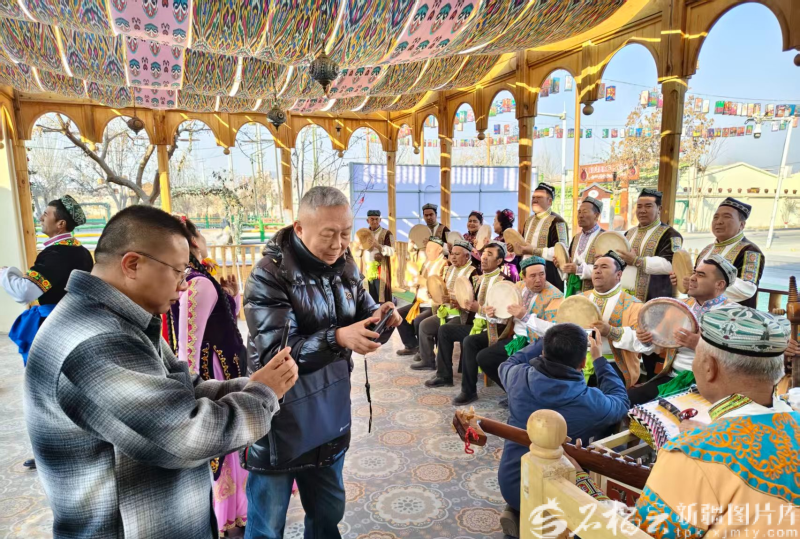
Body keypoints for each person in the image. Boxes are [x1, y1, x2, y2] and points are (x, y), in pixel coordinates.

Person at [24, 205, 298, 539]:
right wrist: (263, 395)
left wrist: (251, 384)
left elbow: (183, 390)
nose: (183, 286)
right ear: (133, 264)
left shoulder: (120, 320)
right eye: (179, 272)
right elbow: (184, 436)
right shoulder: (94, 340)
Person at [242, 186, 400, 539]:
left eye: (345, 233)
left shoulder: (345, 263)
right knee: (267, 526)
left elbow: (363, 312)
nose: (338, 244)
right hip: (280, 417)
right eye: (328, 234)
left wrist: (381, 317)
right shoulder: (269, 274)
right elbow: (276, 356)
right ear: (299, 228)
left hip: (329, 407)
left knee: (328, 516)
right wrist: (338, 338)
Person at [576, 305, 799, 538]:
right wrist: (713, 433)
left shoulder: (693, 453)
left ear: (709, 367)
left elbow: (641, 534)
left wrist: (582, 483)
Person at [497, 324, 629, 537]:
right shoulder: (591, 403)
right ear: (583, 362)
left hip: (511, 484)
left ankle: (518, 511)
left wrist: (544, 340)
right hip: (559, 497)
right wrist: (599, 359)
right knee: (605, 433)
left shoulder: (516, 377)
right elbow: (621, 401)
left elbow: (509, 362)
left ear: (543, 352)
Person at [163, 217, 250, 537]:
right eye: (200, 232)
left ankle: (236, 512)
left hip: (223, 366)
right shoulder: (196, 282)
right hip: (213, 372)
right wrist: (191, 389)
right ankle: (228, 515)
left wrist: (232, 297)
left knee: (234, 439)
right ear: (194, 242)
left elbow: (220, 325)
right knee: (224, 440)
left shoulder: (200, 278)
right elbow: (188, 347)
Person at [2, 195, 93, 470]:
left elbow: (25, 292)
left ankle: (51, 450)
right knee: (69, 387)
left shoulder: (56, 254)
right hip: (75, 322)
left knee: (44, 391)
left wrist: (6, 273)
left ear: (60, 223)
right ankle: (75, 446)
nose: (41, 217)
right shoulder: (79, 251)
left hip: (53, 326)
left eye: (47, 213)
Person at [528, 251, 653, 388]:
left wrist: (611, 331)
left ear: (618, 275)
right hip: (576, 362)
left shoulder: (634, 305)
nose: (597, 271)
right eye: (595, 267)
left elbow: (645, 345)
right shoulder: (578, 300)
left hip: (614, 364)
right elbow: (560, 330)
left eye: (604, 267)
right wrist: (526, 318)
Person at [454, 256, 563, 405]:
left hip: (536, 343)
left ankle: (518, 394)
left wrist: (525, 317)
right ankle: (471, 392)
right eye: (532, 276)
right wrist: (492, 315)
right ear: (523, 276)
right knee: (471, 343)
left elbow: (554, 330)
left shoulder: (555, 295)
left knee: (485, 357)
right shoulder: (516, 288)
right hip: (514, 336)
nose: (538, 280)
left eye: (542, 274)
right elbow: (504, 316)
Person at [630, 255, 737, 404]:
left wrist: (699, 345)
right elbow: (658, 343)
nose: (692, 278)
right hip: (672, 377)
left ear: (719, 284)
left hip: (709, 385)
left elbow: (738, 360)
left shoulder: (735, 315)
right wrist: (646, 340)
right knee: (626, 401)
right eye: (694, 273)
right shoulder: (680, 306)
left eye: (701, 275)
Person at [425, 242, 507, 388]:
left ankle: (468, 391)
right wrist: (459, 303)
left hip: (492, 329)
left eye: (489, 255)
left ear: (499, 261)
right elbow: (469, 304)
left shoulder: (504, 282)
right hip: (474, 325)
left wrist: (479, 309)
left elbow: (503, 316)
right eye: (483, 254)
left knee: (469, 341)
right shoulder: (479, 279)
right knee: (444, 330)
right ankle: (444, 376)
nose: (484, 258)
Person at [681, 197, 764, 308]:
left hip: (731, 314)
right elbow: (696, 278)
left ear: (742, 225)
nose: (719, 221)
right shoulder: (707, 249)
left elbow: (747, 289)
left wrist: (703, 284)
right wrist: (685, 281)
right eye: (716, 217)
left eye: (727, 216)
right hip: (699, 311)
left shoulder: (750, 251)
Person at [412, 239, 476, 371]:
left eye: (457, 254)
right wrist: (435, 294)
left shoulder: (473, 273)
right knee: (424, 326)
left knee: (444, 330)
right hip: (446, 311)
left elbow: (473, 299)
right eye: (452, 253)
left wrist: (455, 300)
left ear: (467, 256)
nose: (453, 257)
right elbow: (442, 290)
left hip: (462, 315)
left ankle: (444, 370)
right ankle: (427, 360)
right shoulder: (449, 269)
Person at [618, 188, 683, 301]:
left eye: (648, 206)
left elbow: (670, 265)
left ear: (659, 209)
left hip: (655, 298)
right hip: (625, 298)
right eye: (639, 206)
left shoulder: (671, 235)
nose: (642, 211)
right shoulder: (629, 233)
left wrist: (636, 260)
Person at [396, 237, 448, 360]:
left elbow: (442, 288)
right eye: (427, 248)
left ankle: (424, 352)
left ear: (439, 250)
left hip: (434, 305)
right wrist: (415, 283)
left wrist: (423, 282)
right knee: (399, 314)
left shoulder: (444, 264)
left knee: (419, 320)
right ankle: (412, 346)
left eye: (430, 249)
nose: (427, 251)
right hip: (421, 302)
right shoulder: (426, 263)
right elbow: (418, 277)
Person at [510, 183, 569, 291]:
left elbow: (562, 252)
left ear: (549, 201)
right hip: (527, 275)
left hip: (548, 277)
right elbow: (523, 247)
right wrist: (515, 248)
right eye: (533, 197)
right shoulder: (529, 220)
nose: (535, 200)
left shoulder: (558, 222)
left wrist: (534, 251)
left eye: (539, 197)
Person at [559, 196, 603, 296]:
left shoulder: (605, 238)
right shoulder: (576, 238)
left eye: (585, 212)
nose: (580, 216)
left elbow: (607, 270)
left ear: (596, 215)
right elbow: (569, 264)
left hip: (594, 294)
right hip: (573, 292)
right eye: (579, 212)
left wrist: (578, 270)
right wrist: (561, 265)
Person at [355, 209, 395, 303]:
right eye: (372, 219)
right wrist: (360, 247)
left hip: (381, 270)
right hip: (367, 269)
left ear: (380, 220)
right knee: (369, 296)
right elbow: (357, 253)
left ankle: (383, 312)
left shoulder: (387, 233)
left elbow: (392, 251)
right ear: (367, 220)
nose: (374, 221)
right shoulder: (362, 234)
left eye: (377, 219)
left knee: (381, 296)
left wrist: (378, 246)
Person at [493, 208, 520, 282]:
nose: (493, 224)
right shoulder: (497, 238)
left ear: (501, 222)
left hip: (507, 271)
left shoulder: (512, 237)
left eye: (495, 221)